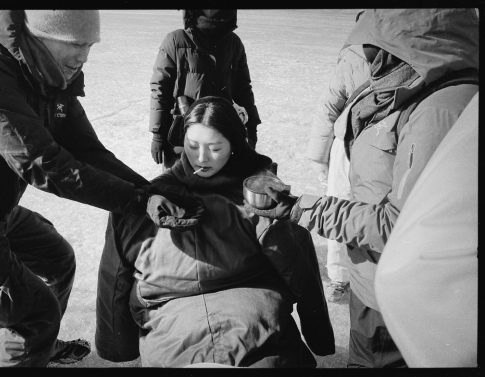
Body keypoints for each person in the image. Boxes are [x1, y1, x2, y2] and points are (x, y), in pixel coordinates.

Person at [0, 10, 192, 367]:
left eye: (90, 45)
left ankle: (37, 343)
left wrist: (151, 190)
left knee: (58, 259)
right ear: (39, 36)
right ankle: (34, 336)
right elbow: (41, 162)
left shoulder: (48, 76)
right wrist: (136, 200)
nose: (85, 56)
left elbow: (89, 152)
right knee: (37, 312)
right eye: (76, 44)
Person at [246, 9, 478, 368]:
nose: (368, 56)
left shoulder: (440, 109)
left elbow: (399, 228)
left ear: (410, 37)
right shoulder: (408, 89)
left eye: (375, 44)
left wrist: (299, 207)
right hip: (372, 277)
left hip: (398, 298)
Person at [95, 96, 335, 367]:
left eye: (215, 148)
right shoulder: (145, 202)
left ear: (234, 145)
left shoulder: (261, 198)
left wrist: (117, 346)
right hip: (214, 332)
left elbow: (114, 278)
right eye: (193, 145)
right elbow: (300, 267)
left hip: (253, 330)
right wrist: (319, 335)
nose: (201, 158)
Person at [374, 93, 478, 367]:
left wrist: (309, 209)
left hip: (416, 317)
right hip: (380, 281)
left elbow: (394, 220)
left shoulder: (437, 109)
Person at [305, 10, 371, 302]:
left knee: (362, 211)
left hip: (377, 146)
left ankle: (352, 277)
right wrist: (320, 156)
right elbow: (331, 103)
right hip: (349, 146)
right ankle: (340, 276)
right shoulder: (354, 54)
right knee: (340, 208)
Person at [149, 9, 261, 169]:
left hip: (220, 135)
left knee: (215, 187)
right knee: (177, 187)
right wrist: (158, 135)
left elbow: (243, 89)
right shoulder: (176, 40)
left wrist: (251, 128)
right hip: (183, 135)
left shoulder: (234, 43)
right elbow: (160, 90)